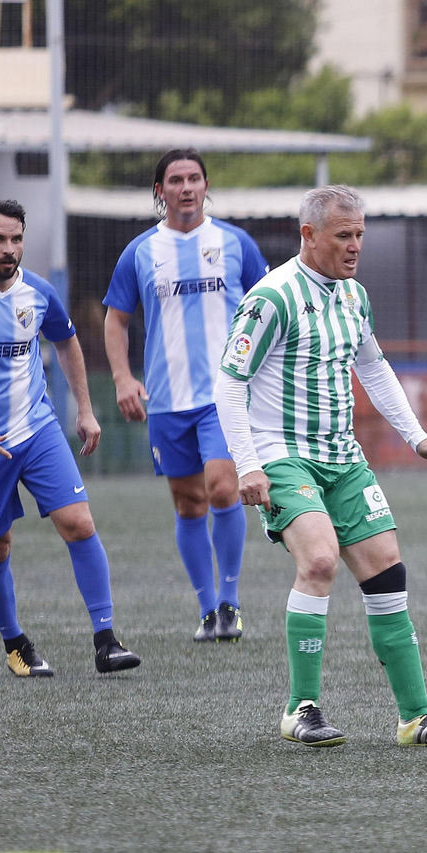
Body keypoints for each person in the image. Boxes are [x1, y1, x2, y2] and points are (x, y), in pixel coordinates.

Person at [213, 184, 427, 748]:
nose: (354, 247)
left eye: (359, 235)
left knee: (387, 571)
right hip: (282, 452)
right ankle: (300, 708)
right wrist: (247, 466)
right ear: (309, 235)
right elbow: (229, 384)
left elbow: (374, 369)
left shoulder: (355, 296)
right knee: (322, 560)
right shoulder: (272, 297)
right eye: (343, 236)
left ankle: (415, 717)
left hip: (342, 457)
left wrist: (418, 437)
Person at [0, 200, 140, 677]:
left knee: (79, 522)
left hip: (37, 430)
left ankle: (106, 640)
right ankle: (15, 643)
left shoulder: (38, 292)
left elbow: (67, 341)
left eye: (16, 239)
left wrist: (84, 409)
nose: (9, 248)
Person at [103, 149, 269, 642]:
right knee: (188, 503)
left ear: (206, 184)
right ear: (160, 191)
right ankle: (206, 610)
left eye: (194, 178)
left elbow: (270, 307)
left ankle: (231, 603)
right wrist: (122, 378)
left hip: (226, 394)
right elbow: (116, 320)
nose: (186, 187)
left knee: (223, 488)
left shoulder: (235, 242)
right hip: (167, 400)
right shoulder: (140, 251)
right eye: (175, 180)